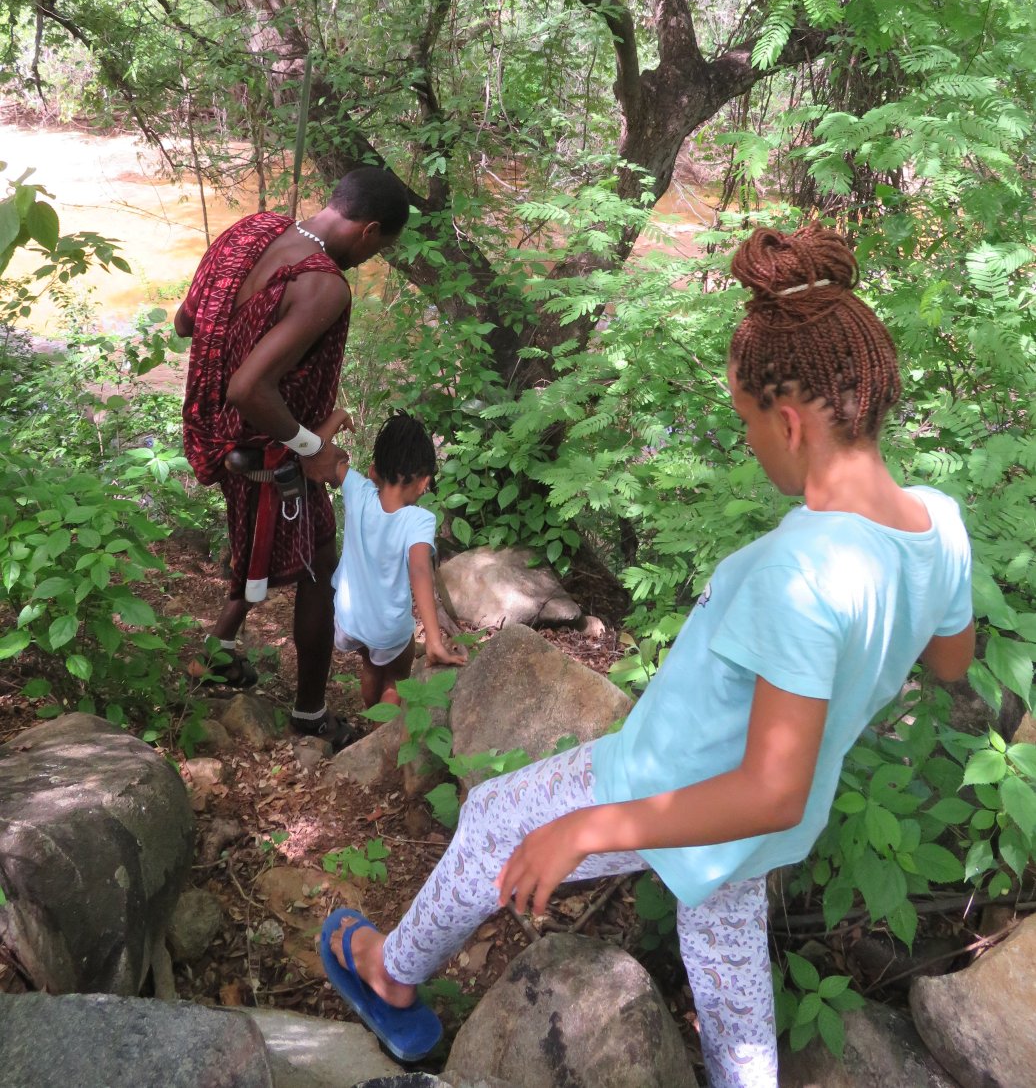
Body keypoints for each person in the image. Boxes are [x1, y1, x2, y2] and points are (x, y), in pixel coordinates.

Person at [316, 223, 976, 1080]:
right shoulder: (939, 524)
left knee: (491, 821)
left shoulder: (797, 571)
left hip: (659, 778)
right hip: (763, 827)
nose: (746, 440)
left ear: (788, 420)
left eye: (745, 421)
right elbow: (951, 663)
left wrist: (585, 828)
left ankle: (390, 975)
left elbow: (764, 789)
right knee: (730, 968)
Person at [175, 167, 411, 752]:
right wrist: (314, 446)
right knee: (318, 570)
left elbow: (186, 322)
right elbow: (248, 388)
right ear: (370, 230)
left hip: (215, 436)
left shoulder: (251, 231)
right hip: (268, 448)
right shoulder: (324, 284)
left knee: (255, 540)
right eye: (378, 247)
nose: (370, 258)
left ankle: (218, 656)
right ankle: (311, 714)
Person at [332, 412, 466, 711]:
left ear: (374, 470)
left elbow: (317, 451)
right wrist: (433, 640)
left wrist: (338, 417)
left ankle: (370, 719)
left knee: (369, 666)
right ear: (424, 482)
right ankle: (383, 738)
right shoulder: (418, 520)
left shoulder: (358, 490)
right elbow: (419, 569)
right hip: (388, 628)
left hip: (350, 619)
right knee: (395, 678)